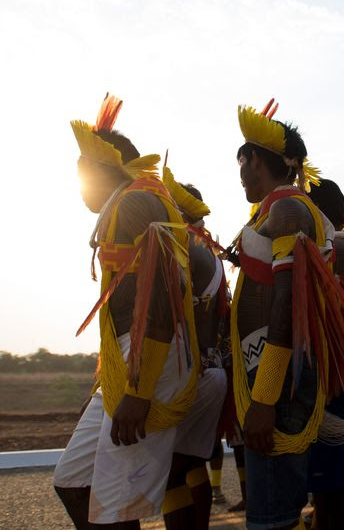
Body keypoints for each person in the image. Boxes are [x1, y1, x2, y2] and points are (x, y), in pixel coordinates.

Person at [53, 95, 202, 527]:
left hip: (146, 367)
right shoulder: (128, 202)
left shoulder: (135, 204)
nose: (79, 184)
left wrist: (137, 391)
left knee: (114, 512)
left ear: (105, 170)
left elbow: (158, 297)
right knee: (72, 482)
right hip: (127, 363)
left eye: (82, 173)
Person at [229, 103, 344, 530]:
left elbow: (289, 303)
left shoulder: (289, 210)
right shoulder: (273, 210)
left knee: (272, 518)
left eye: (241, 163)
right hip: (267, 373)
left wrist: (265, 397)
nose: (239, 174)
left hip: (278, 384)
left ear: (255, 158)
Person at [161, 169, 228, 528]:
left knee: (171, 470)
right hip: (210, 370)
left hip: (192, 376)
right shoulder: (210, 255)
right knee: (188, 464)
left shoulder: (184, 251)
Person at [306, 178, 344, 530]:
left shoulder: (340, 246)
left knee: (336, 492)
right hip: (337, 373)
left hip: (337, 375)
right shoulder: (339, 243)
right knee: (327, 493)